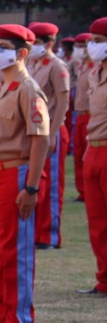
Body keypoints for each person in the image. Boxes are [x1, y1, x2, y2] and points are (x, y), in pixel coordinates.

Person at [0, 24, 50, 323]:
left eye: (3, 47)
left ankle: (18, 318)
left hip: (15, 173)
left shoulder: (28, 88)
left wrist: (31, 187)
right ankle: (1, 313)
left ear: (22, 53)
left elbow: (40, 139)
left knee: (14, 249)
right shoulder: (0, 88)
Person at [28, 23, 71, 249]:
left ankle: (49, 235)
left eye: (36, 41)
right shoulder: (33, 64)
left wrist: (54, 133)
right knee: (37, 183)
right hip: (36, 132)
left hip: (51, 130)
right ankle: (37, 232)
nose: (32, 46)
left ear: (49, 43)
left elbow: (63, 101)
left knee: (52, 185)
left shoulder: (56, 66)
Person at [77, 19, 107, 296]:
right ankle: (104, 279)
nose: (92, 46)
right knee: (97, 221)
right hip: (93, 149)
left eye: (99, 40)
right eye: (92, 40)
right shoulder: (95, 73)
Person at [70, 32, 93, 202]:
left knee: (88, 155)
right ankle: (82, 191)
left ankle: (88, 190)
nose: (79, 49)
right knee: (78, 155)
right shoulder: (82, 65)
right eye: (77, 46)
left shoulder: (97, 65)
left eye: (82, 46)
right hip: (80, 113)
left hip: (92, 115)